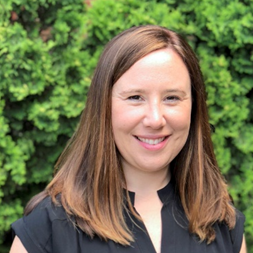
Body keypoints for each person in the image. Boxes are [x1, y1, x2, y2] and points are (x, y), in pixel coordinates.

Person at [10, 25, 246, 253]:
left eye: (172, 98)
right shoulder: (49, 227)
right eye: (135, 97)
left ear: (194, 108)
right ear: (104, 107)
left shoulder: (223, 221)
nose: (155, 119)